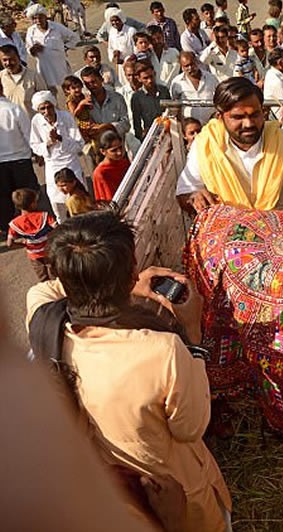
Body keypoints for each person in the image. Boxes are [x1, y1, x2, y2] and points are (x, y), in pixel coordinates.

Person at [25, 210, 233, 530]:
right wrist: (192, 332)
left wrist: (111, 283)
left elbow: (51, 291)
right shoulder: (163, 352)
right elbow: (191, 428)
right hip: (178, 496)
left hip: (114, 495)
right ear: (134, 272)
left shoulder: (43, 319)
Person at [176, 77, 283, 221]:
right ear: (220, 117)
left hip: (282, 240)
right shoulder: (205, 146)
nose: (248, 124)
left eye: (255, 115)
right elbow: (185, 193)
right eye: (238, 117)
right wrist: (194, 197)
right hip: (228, 240)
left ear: (263, 112)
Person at [29, 91, 85, 222]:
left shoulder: (66, 117)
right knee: (56, 200)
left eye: (49, 107)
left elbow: (79, 144)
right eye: (42, 108)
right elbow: (35, 145)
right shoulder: (36, 121)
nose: (47, 111)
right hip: (52, 165)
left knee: (78, 199)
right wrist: (48, 143)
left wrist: (60, 138)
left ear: (54, 105)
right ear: (38, 110)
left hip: (71, 163)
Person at [0, 84, 38, 234]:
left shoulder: (13, 109)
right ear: (2, 89)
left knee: (3, 199)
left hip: (1, 163)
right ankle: (34, 226)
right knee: (27, 197)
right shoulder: (14, 109)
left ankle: (8, 229)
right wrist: (37, 153)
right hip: (21, 160)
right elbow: (28, 134)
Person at [24, 4, 79, 92]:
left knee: (67, 87)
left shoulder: (57, 27)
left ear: (45, 17)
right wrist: (33, 50)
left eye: (40, 17)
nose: (37, 21)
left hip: (60, 65)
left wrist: (66, 47)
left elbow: (74, 38)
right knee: (49, 91)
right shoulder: (31, 31)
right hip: (44, 67)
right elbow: (28, 48)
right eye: (34, 18)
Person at [6, 188, 57, 281]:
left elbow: (9, 243)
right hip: (49, 251)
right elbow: (56, 228)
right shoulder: (44, 216)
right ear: (33, 204)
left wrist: (24, 244)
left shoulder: (14, 224)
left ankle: (48, 293)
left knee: (43, 278)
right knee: (55, 274)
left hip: (34, 255)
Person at [171, 51, 220, 124]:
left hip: (211, 125)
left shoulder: (211, 78)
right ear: (182, 67)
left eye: (192, 64)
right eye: (186, 66)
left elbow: (219, 99)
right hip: (190, 128)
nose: (190, 68)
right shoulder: (177, 82)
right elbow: (175, 106)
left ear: (196, 62)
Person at [81, 66, 130, 138]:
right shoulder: (86, 104)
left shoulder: (117, 98)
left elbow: (126, 124)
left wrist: (106, 127)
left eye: (93, 82)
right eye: (87, 84)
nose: (91, 86)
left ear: (101, 79)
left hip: (117, 142)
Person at [0, 44, 48, 117]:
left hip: (30, 124)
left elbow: (45, 100)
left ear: (19, 58)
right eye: (4, 60)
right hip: (9, 124)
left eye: (11, 59)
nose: (8, 63)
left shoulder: (34, 76)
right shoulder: (1, 77)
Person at [131, 62, 170, 141]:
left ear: (154, 74)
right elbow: (137, 123)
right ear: (139, 79)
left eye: (151, 76)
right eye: (145, 78)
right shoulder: (137, 97)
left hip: (167, 132)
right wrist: (142, 137)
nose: (149, 80)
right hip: (150, 136)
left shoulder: (164, 91)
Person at [92, 129, 129, 201]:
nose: (119, 153)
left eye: (120, 147)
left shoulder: (124, 162)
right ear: (103, 151)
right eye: (114, 150)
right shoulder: (100, 173)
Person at [106, 8, 136, 78]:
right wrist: (113, 57)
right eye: (112, 21)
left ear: (122, 19)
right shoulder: (112, 32)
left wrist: (129, 59)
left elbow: (135, 48)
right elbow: (110, 47)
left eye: (117, 20)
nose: (114, 23)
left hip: (131, 63)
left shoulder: (131, 31)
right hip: (119, 65)